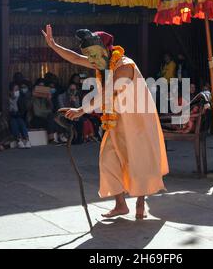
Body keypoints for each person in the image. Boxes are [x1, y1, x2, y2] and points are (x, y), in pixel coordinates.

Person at [42, 25, 169, 219]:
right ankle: (120, 205)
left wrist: (81, 110)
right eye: (88, 55)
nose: (91, 60)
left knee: (138, 160)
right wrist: (53, 45)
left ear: (105, 50)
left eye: (93, 55)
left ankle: (141, 203)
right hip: (116, 119)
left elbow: (109, 93)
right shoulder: (101, 63)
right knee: (108, 159)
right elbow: (75, 58)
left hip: (137, 120)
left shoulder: (125, 65)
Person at [9, 83, 31, 149]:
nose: (17, 91)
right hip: (11, 117)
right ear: (10, 91)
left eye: (18, 90)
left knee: (20, 121)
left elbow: (23, 110)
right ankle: (19, 140)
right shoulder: (7, 99)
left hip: (19, 116)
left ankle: (27, 139)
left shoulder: (20, 98)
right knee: (13, 122)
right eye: (15, 90)